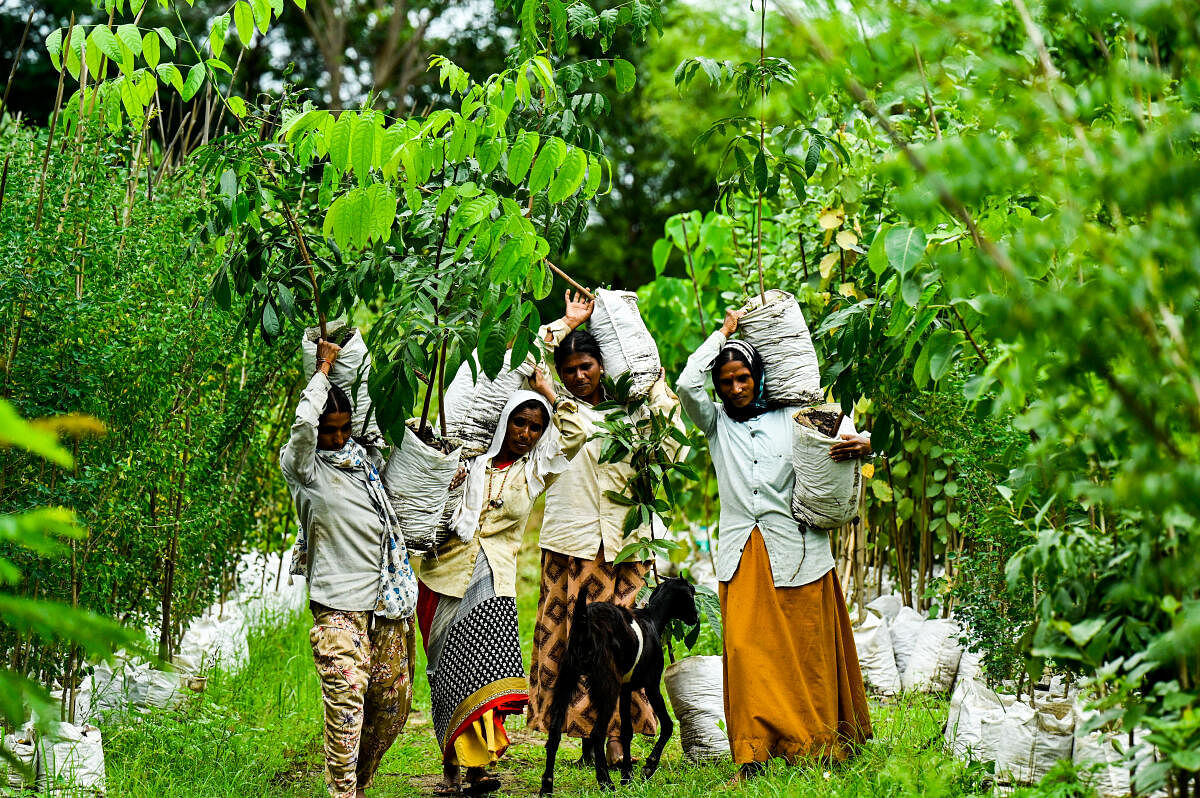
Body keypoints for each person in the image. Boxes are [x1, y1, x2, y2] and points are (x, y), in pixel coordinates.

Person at [676, 308, 873, 782]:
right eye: (725, 382)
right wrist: (722, 335)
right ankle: (754, 752)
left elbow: (851, 437)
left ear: (759, 377)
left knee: (808, 650)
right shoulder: (715, 424)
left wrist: (862, 446)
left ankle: (819, 744)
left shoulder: (796, 416)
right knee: (746, 651)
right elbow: (686, 385)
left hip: (799, 547)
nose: (735, 388)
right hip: (743, 551)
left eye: (743, 378)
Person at [526, 290, 685, 767]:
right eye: (569, 369)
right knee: (579, 646)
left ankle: (618, 738)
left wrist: (655, 382)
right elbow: (525, 361)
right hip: (572, 544)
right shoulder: (549, 413)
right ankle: (586, 736)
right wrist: (565, 323)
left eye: (586, 367)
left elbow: (673, 449)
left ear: (603, 366)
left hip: (625, 545)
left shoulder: (632, 413)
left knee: (626, 648)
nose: (578, 376)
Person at [415, 366, 586, 797]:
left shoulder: (534, 472)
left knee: (483, 673)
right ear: (503, 421)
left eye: (535, 426)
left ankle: (478, 769)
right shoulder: (468, 463)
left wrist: (547, 390)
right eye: (519, 423)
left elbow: (577, 432)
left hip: (493, 581)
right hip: (440, 577)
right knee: (445, 674)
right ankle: (451, 768)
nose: (526, 433)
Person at [280, 339, 420, 798]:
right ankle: (341, 792)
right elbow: (303, 425)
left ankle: (357, 783)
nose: (336, 439)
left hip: (385, 604)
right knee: (346, 703)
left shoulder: (364, 465)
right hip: (336, 608)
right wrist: (322, 369)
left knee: (393, 705)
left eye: (343, 430)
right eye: (328, 431)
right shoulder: (304, 468)